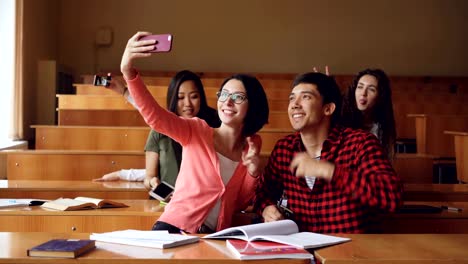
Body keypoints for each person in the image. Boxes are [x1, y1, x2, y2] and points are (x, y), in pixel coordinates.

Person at [120, 31, 269, 233]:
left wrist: (253, 173)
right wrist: (128, 72)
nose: (227, 101)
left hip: (214, 237)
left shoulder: (251, 145)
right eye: (224, 94)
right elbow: (155, 116)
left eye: (238, 97)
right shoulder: (196, 129)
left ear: (253, 106)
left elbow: (239, 203)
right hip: (174, 228)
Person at [254, 72, 403, 233]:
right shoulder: (284, 148)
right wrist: (266, 209)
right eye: (292, 98)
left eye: (306, 97)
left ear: (328, 108)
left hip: (347, 253)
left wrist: (329, 171)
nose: (295, 104)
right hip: (299, 253)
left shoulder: (360, 144)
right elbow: (262, 193)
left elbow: (392, 197)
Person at [93, 70, 220, 190]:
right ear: (173, 99)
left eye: (194, 96)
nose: (188, 104)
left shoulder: (213, 129)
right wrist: (131, 176)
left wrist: (124, 174)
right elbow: (160, 173)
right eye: (180, 97)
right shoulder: (161, 131)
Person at [341, 68, 396, 161]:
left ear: (380, 96)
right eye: (360, 87)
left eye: (371, 89)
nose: (363, 93)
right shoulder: (341, 119)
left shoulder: (382, 126)